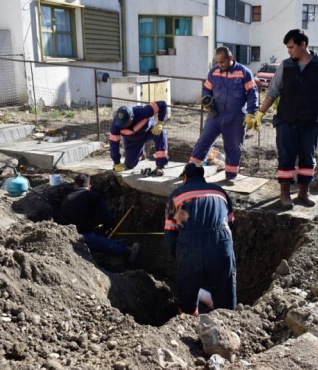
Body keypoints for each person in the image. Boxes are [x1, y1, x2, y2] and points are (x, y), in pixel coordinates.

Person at [254, 29, 318, 208]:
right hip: (287, 121)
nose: (289, 51)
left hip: (311, 122)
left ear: (303, 45)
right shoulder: (285, 66)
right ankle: (284, 193)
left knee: (307, 159)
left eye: (292, 47)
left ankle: (303, 192)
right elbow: (272, 92)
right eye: (287, 48)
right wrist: (260, 113)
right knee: (286, 158)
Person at [164, 163, 237, 316]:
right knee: (225, 290)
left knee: (187, 292)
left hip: (190, 244)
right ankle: (227, 322)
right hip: (221, 241)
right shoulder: (220, 192)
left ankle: (189, 320)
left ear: (185, 178)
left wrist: (177, 256)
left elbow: (171, 234)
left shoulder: (176, 195)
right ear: (203, 177)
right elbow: (231, 224)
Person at [189, 46, 259, 186]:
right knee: (203, 141)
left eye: (222, 62)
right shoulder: (214, 72)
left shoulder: (244, 72)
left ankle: (230, 175)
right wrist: (207, 99)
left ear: (230, 59)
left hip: (236, 117)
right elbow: (207, 89)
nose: (220, 65)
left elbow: (252, 93)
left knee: (233, 147)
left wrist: (252, 113)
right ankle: (191, 172)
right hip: (216, 115)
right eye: (217, 62)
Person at [56, 174, 140, 261]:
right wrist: (107, 229)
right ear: (89, 187)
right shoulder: (93, 196)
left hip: (64, 234)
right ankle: (127, 252)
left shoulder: (67, 197)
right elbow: (108, 219)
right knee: (97, 241)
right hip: (82, 236)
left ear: (75, 186)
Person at [110, 101, 168, 176]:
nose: (123, 126)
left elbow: (162, 104)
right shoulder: (116, 124)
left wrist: (160, 122)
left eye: (125, 123)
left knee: (161, 133)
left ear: (132, 117)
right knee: (129, 165)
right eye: (121, 123)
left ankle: (160, 166)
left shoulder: (142, 111)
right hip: (132, 140)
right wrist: (116, 163)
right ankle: (140, 154)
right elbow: (113, 144)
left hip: (148, 131)